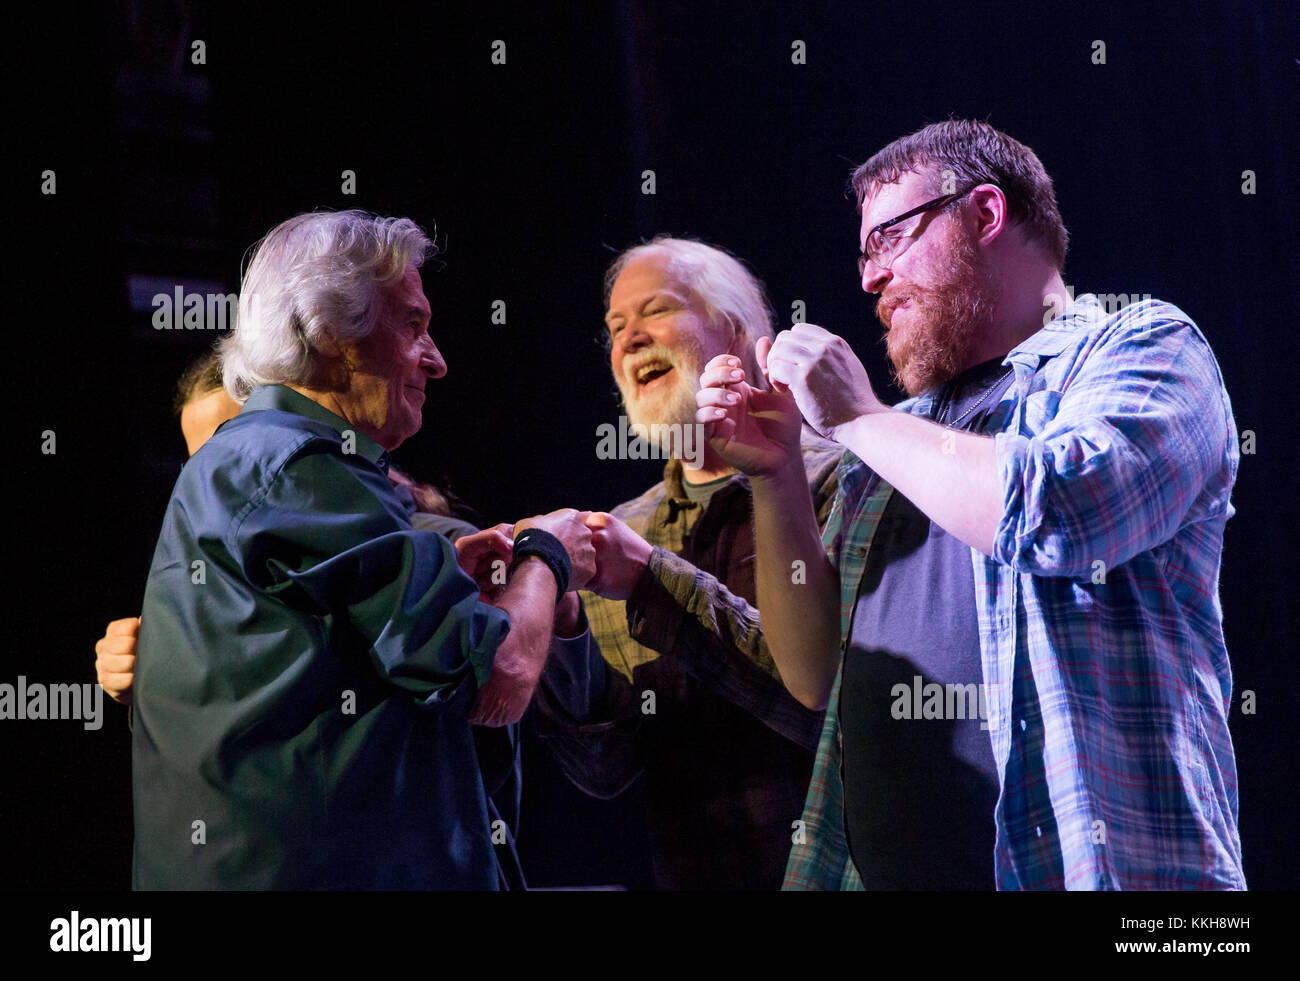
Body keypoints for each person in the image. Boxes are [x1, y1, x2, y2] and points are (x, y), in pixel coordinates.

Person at [696, 120, 1245, 890]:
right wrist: (777, 472)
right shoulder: (897, 442)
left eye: (889, 238)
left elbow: (1066, 512)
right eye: (862, 254)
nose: (869, 280)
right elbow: (812, 669)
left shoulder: (1141, 346)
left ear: (985, 214)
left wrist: (856, 417)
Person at [131, 210, 594, 889]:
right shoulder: (299, 465)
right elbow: (500, 678)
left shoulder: (260, 462)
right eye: (412, 325)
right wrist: (547, 555)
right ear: (328, 330)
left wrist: (441, 571)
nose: (437, 359)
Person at [98, 347, 529, 887]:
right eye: (200, 460)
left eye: (239, 441)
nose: (222, 478)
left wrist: (543, 575)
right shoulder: (211, 581)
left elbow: (504, 698)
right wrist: (166, 672)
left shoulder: (439, 545)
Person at [534, 237, 842, 889]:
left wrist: (655, 580)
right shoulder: (630, 527)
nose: (630, 339)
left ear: (734, 327)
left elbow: (831, 711)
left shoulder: (841, 482)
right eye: (616, 329)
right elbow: (605, 770)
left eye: (657, 310)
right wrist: (563, 629)